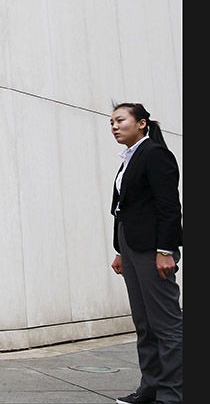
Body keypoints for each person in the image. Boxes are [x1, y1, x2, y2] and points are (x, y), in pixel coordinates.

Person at [109, 103, 183, 404]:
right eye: (111, 122)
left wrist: (166, 250)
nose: (114, 126)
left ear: (142, 123)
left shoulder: (155, 154)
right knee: (144, 322)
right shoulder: (129, 158)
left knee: (166, 324)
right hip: (131, 246)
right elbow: (125, 209)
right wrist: (119, 251)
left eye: (120, 120)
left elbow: (169, 206)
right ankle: (150, 387)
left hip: (153, 248)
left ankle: (173, 393)